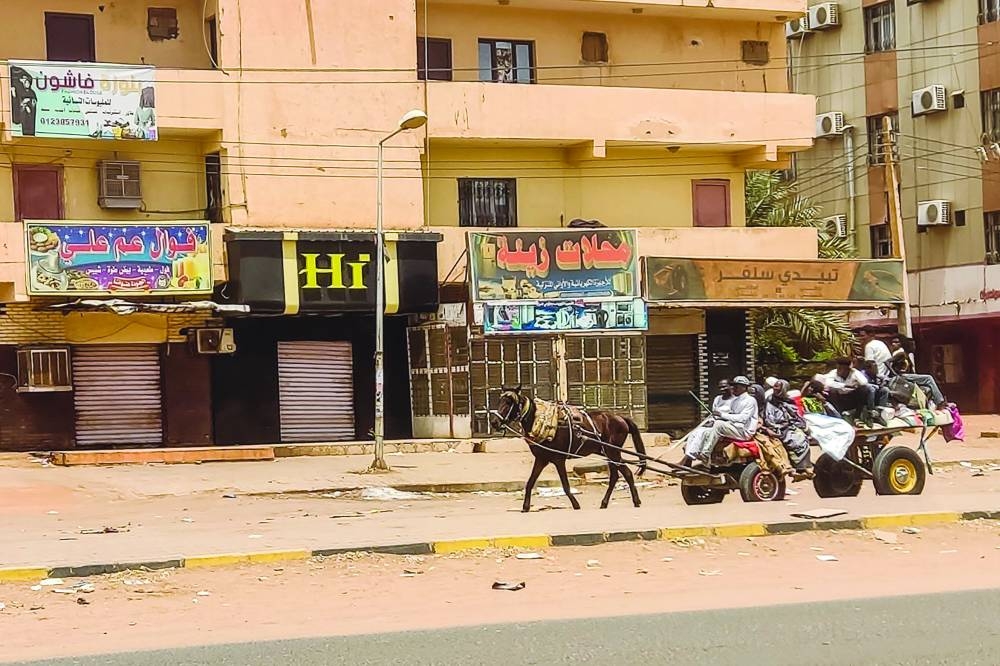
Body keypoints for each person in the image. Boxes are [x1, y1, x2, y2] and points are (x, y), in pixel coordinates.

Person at [691, 376, 759, 467]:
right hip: (735, 427)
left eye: (736, 386)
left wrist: (722, 415)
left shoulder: (750, 400)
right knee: (706, 431)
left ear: (744, 387)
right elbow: (731, 417)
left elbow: (742, 418)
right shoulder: (735, 401)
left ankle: (706, 453)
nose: (733, 388)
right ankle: (703, 460)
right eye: (733, 386)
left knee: (719, 425)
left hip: (744, 431)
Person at [761, 380, 811, 473]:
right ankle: (799, 468)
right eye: (774, 386)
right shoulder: (770, 400)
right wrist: (781, 424)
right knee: (799, 439)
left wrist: (798, 423)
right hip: (776, 426)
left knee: (803, 434)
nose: (775, 389)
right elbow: (769, 417)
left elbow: (795, 415)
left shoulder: (788, 400)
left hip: (787, 424)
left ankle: (802, 466)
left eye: (777, 387)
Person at [683, 380, 734, 463]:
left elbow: (733, 417)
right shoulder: (718, 399)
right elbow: (714, 414)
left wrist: (719, 419)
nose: (722, 389)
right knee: (694, 432)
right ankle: (688, 459)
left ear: (731, 387)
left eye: (725, 386)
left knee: (703, 433)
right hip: (714, 423)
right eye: (720, 387)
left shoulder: (735, 401)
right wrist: (710, 421)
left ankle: (688, 459)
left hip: (724, 426)